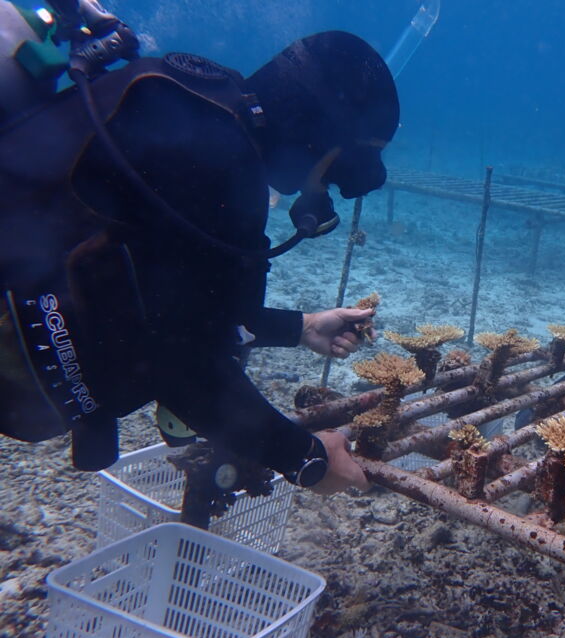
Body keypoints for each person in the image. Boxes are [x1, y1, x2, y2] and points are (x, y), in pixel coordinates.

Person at [0, 3, 399, 494]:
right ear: (321, 142)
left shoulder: (205, 111)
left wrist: (301, 327)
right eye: (338, 170)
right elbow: (183, 366)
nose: (321, 190)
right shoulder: (223, 168)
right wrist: (307, 460)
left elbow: (183, 306)